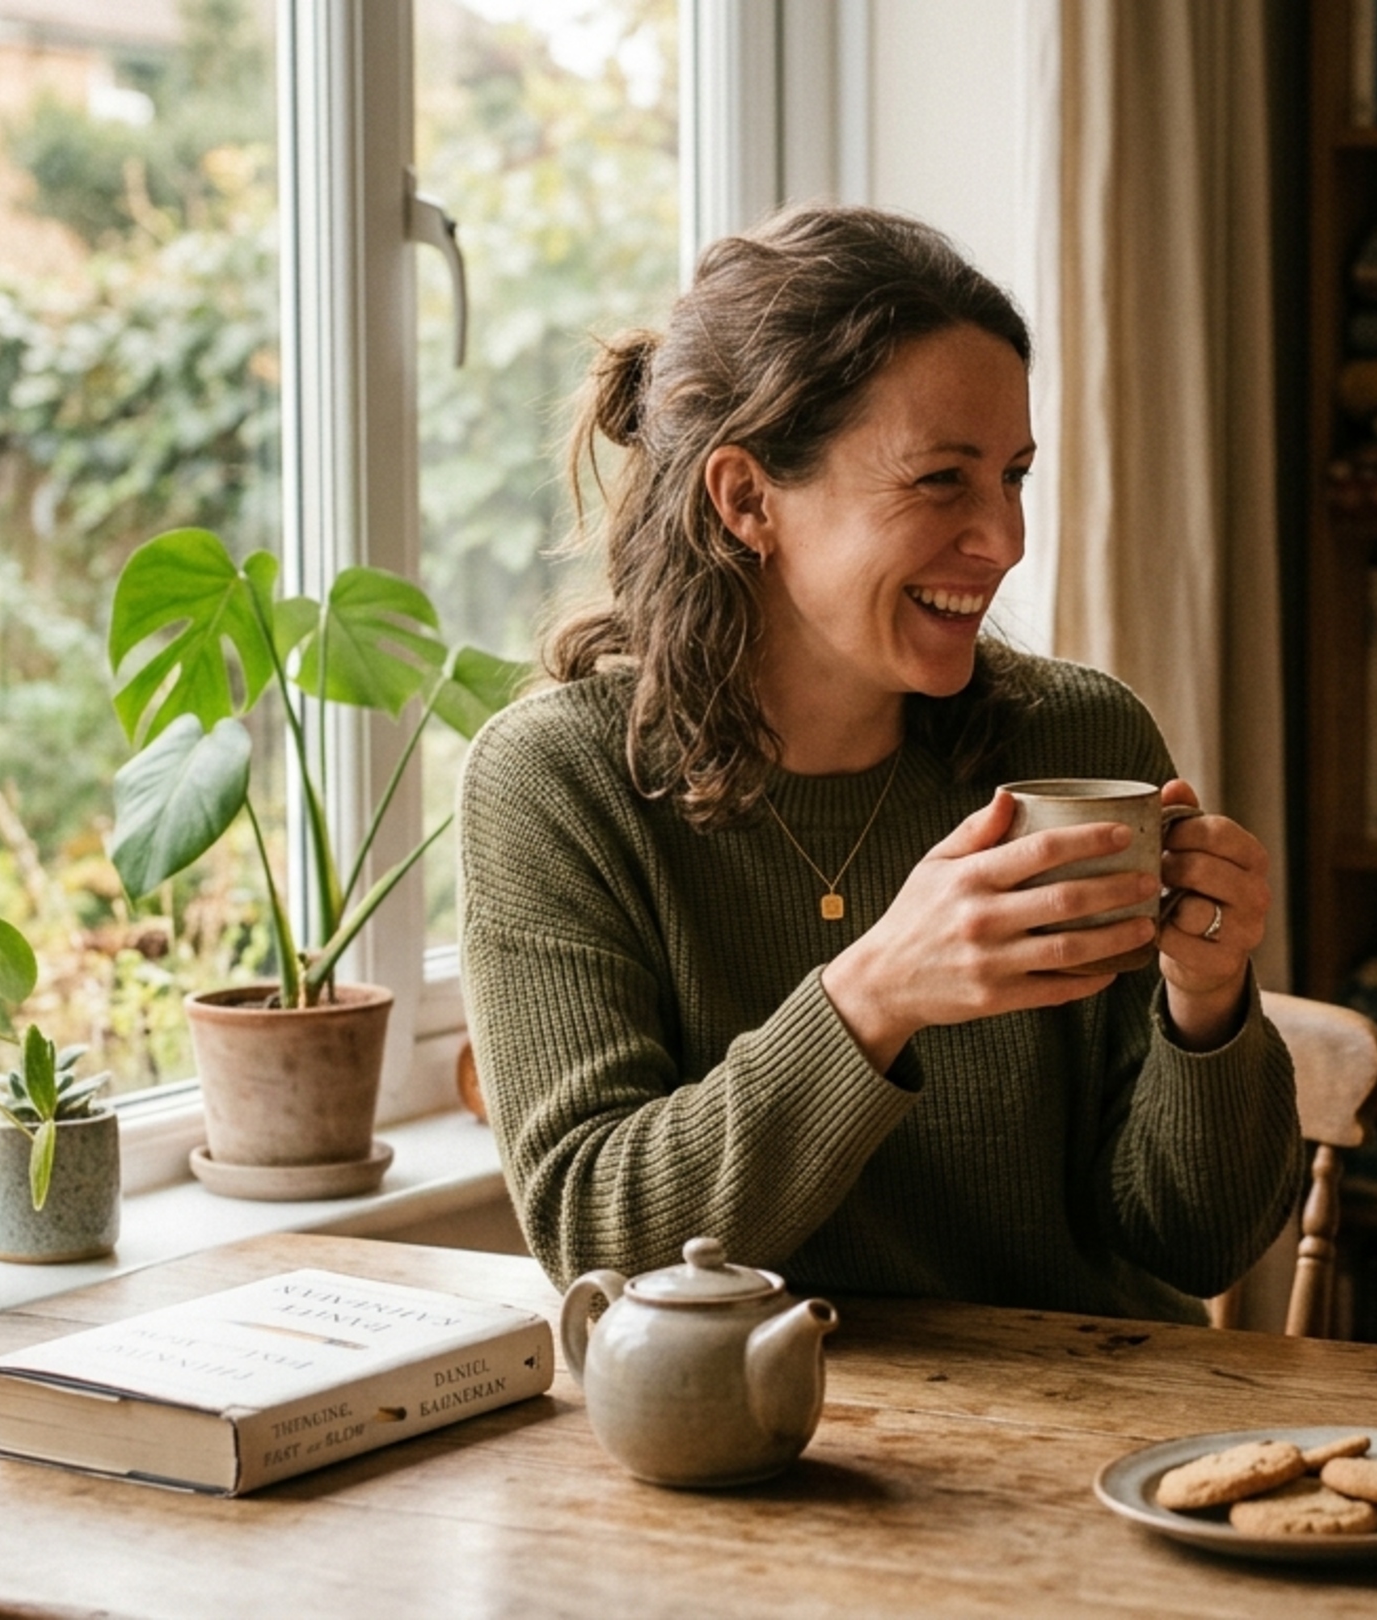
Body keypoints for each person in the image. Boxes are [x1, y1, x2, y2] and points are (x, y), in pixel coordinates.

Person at [459, 204, 1301, 1323]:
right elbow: (602, 1249)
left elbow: (1197, 1244)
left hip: (1085, 1437)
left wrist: (1208, 1004)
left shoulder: (1082, 745)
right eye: (942, 480)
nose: (1002, 540)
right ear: (748, 498)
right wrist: (877, 993)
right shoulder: (559, 786)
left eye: (1013, 476)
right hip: (744, 1450)